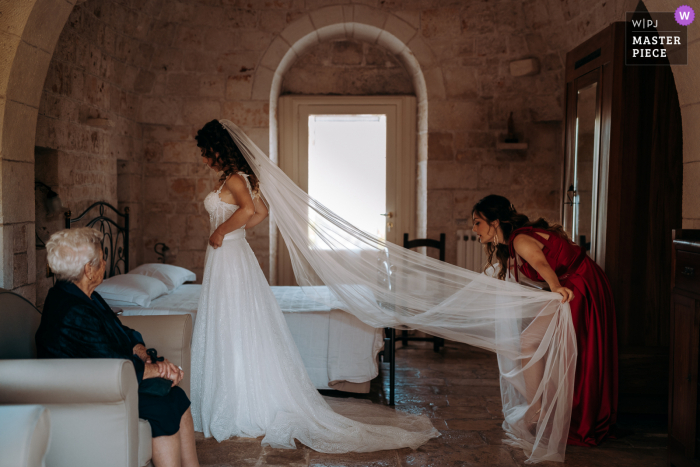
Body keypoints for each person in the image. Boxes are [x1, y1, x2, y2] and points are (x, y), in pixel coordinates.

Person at [190, 119, 438, 452]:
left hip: (229, 255)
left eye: (206, 153)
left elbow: (251, 210)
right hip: (231, 255)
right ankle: (233, 394)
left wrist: (223, 232)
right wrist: (234, 231)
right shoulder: (239, 178)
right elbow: (260, 212)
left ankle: (238, 403)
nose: (205, 159)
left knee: (232, 321)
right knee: (232, 321)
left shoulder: (236, 179)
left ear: (218, 148)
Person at [36, 227, 200, 467]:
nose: (105, 262)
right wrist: (162, 369)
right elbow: (111, 362)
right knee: (163, 406)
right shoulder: (72, 310)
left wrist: (144, 355)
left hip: (110, 379)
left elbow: (124, 333)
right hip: (88, 392)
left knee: (176, 397)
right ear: (88, 269)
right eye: (102, 258)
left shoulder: (87, 296)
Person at [471, 194, 618, 447]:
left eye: (477, 223)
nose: (473, 229)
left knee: (530, 341)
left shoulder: (520, 240)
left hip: (579, 285)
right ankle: (539, 410)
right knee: (532, 342)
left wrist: (556, 288)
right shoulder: (512, 243)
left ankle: (538, 411)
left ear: (495, 222)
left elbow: (541, 263)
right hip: (573, 283)